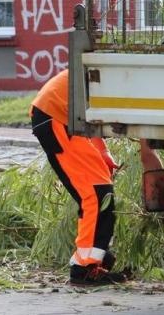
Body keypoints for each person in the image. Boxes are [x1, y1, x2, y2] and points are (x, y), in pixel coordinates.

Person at [30, 69, 129, 286]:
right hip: (56, 116)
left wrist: (102, 153)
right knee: (97, 196)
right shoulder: (119, 73)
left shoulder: (112, 69)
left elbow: (88, 115)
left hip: (59, 116)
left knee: (99, 194)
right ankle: (85, 267)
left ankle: (94, 259)